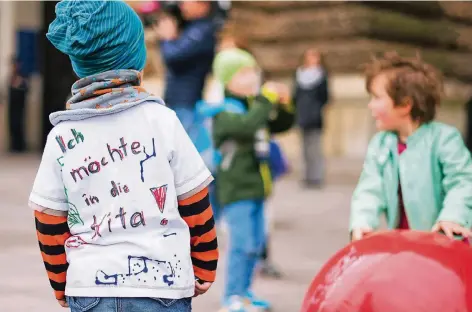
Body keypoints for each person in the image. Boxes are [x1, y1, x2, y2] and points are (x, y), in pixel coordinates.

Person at [28, 1, 218, 311]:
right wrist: (205, 262)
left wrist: (61, 282)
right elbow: (195, 199)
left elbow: (48, 219)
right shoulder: (162, 120)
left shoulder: (62, 136)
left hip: (90, 287)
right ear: (136, 60)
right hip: (162, 283)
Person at [350, 52, 472, 242]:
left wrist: (452, 217)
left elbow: (463, 182)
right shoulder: (381, 144)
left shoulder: (444, 139)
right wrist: (362, 222)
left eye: (376, 97)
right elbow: (369, 189)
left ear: (405, 105)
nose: (370, 105)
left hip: (446, 243)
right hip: (404, 245)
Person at [210, 48, 293, 312]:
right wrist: (265, 101)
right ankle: (231, 297)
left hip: (258, 187)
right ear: (227, 80)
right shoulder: (224, 112)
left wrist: (285, 104)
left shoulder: (253, 105)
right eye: (244, 73)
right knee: (241, 244)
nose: (252, 77)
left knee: (255, 245)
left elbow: (280, 124)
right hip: (237, 190)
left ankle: (245, 293)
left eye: (253, 71)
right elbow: (247, 126)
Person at [155, 0, 218, 136]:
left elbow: (173, 56)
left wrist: (167, 38)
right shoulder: (192, 27)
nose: (182, 5)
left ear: (203, 4)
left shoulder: (203, 31)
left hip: (187, 102)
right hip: (175, 99)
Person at [293, 49, 329, 188]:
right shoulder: (299, 74)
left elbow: (325, 97)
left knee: (315, 148)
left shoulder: (321, 75)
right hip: (302, 115)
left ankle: (316, 176)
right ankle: (307, 176)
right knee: (304, 148)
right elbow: (295, 95)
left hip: (315, 116)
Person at [7, 57, 29, 153]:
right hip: (12, 106)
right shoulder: (11, 76)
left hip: (19, 107)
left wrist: (19, 85)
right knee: (12, 125)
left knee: (19, 124)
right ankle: (13, 146)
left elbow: (26, 90)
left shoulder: (22, 77)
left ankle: (19, 146)